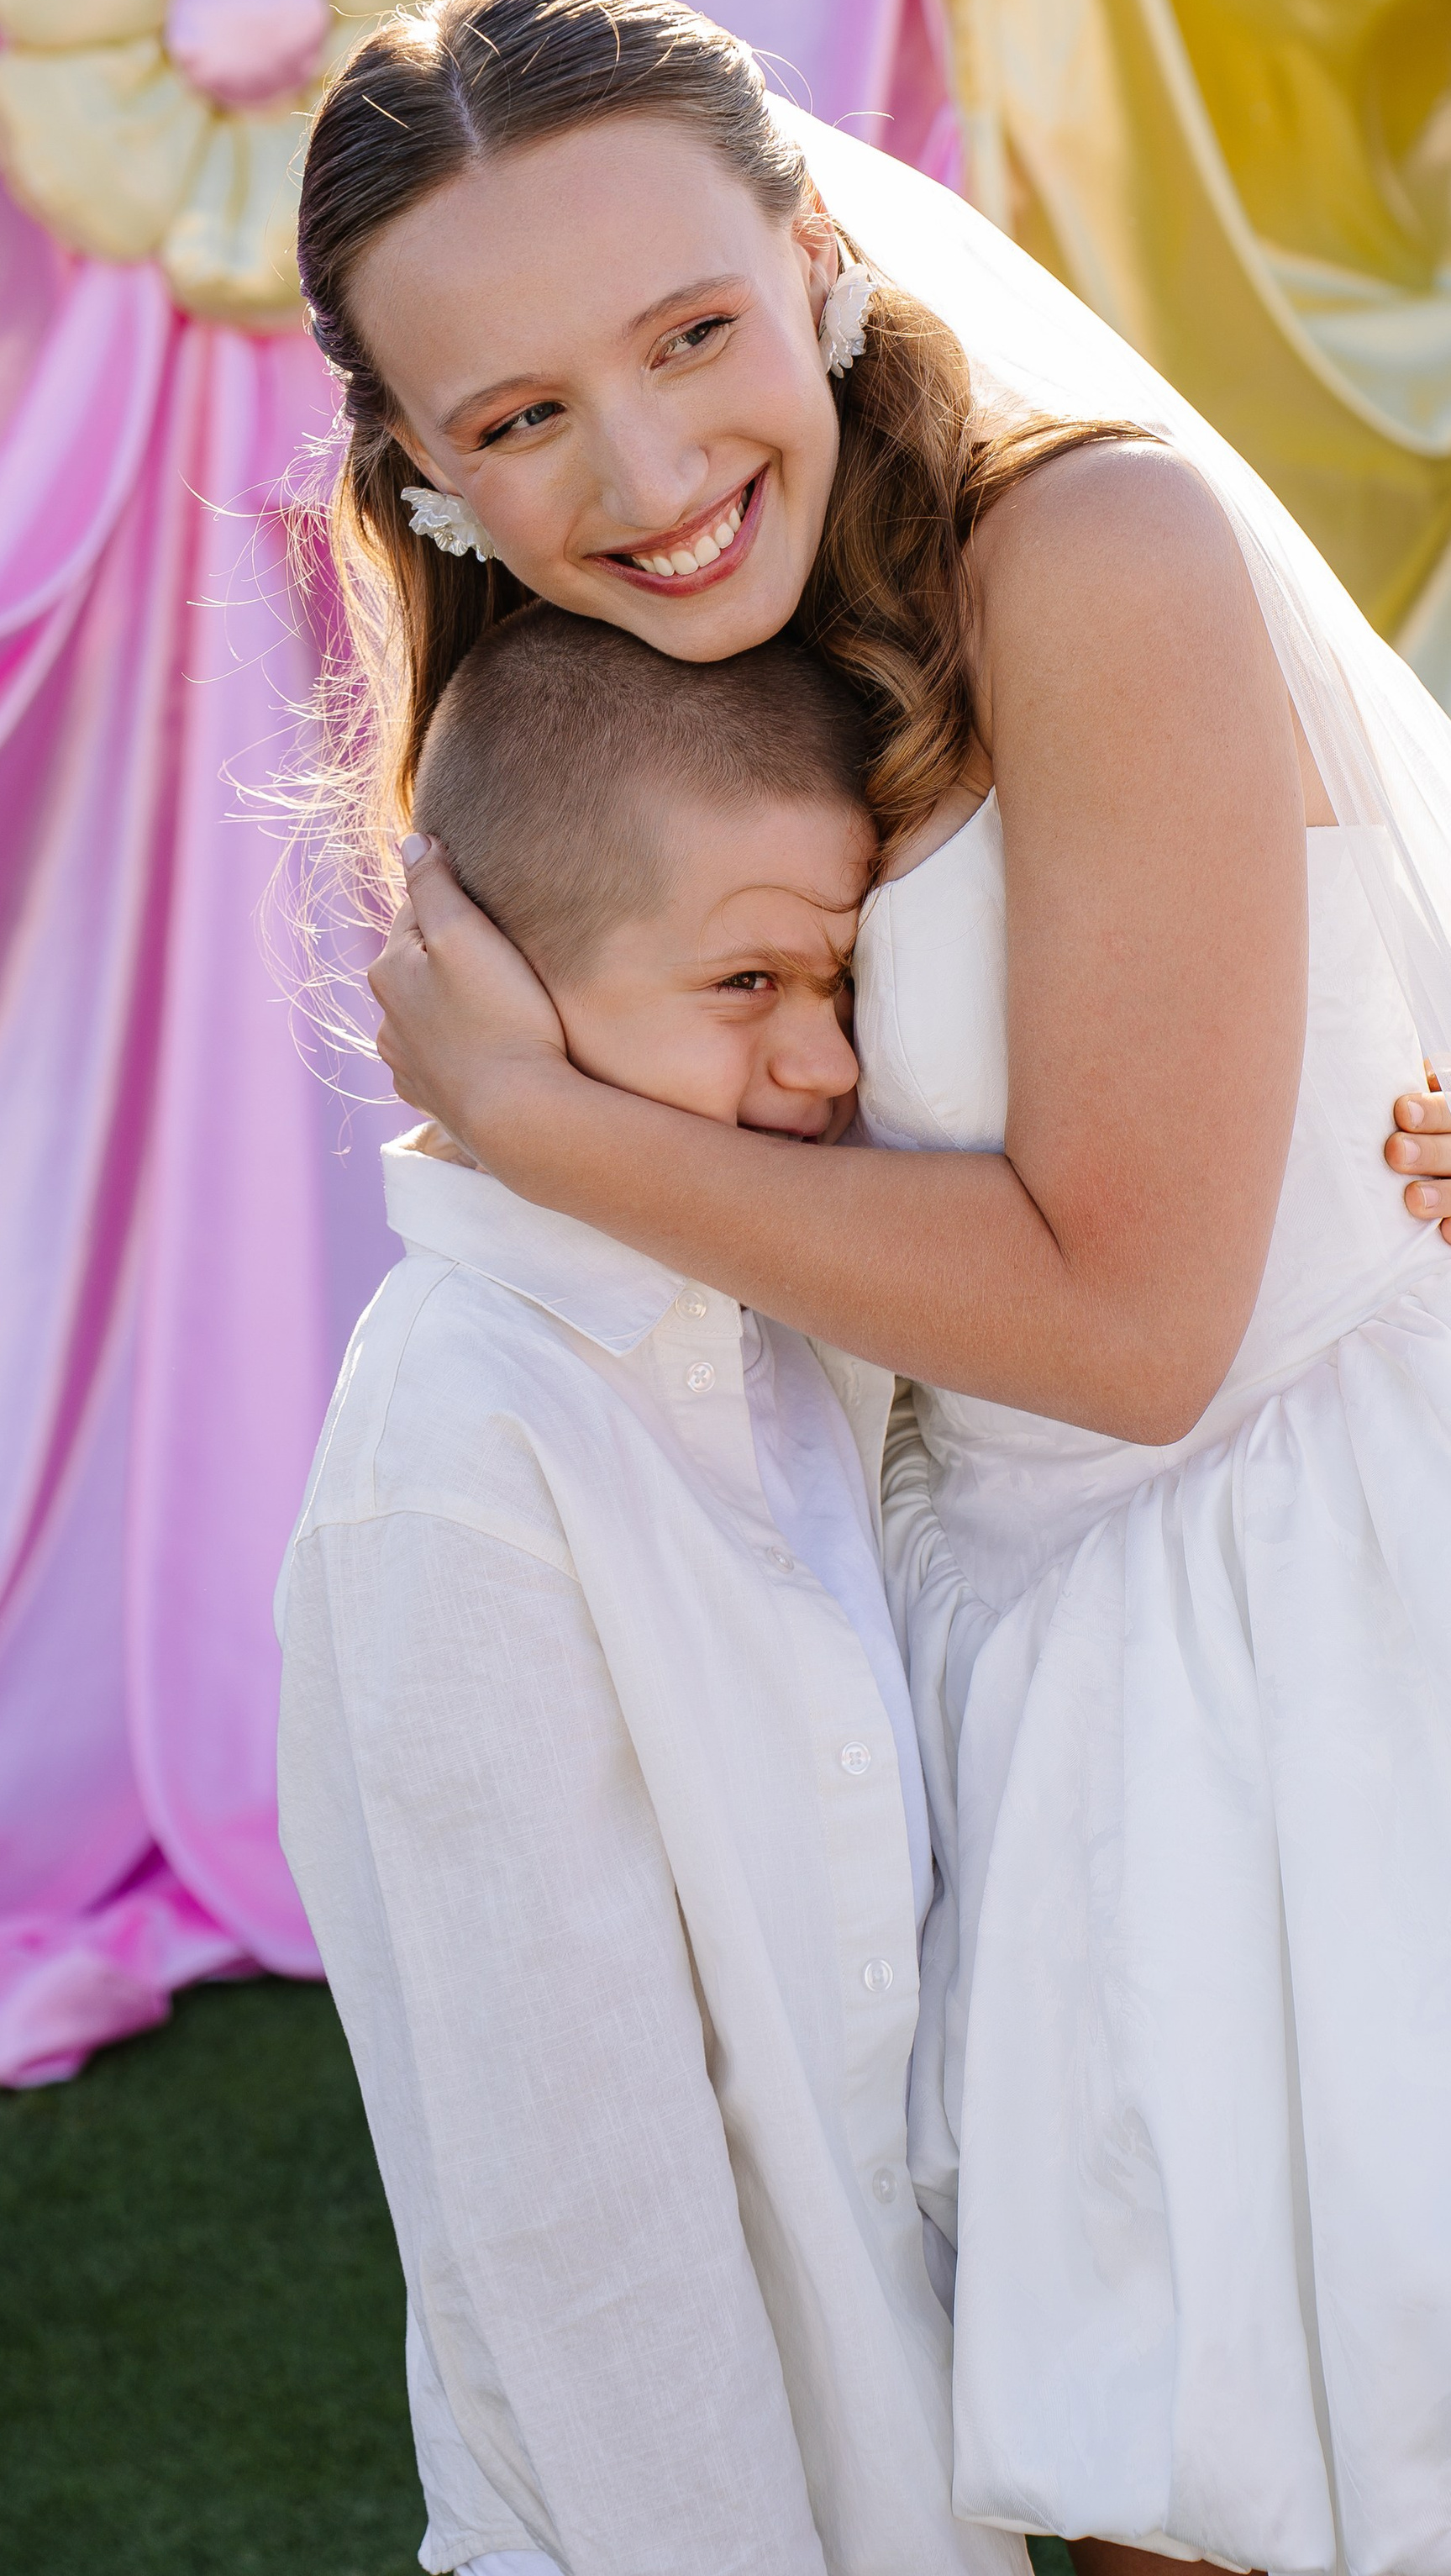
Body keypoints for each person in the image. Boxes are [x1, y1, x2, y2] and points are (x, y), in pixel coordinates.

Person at [297, 0, 1451, 2576]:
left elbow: (1141, 1315)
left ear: (815, 254)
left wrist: (544, 1122)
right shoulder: (628, 718)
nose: (646, 466)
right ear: (413, 467)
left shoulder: (1086, 546)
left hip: (1341, 1640)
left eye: (689, 333)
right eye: (520, 416)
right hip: (1001, 1671)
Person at [277, 608, 1026, 2576]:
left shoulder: (785, 1325)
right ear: (488, 984)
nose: (825, 1053)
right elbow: (571, 2194)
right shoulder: (462, 1460)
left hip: (915, 2458)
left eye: (842, 979)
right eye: (747, 979)